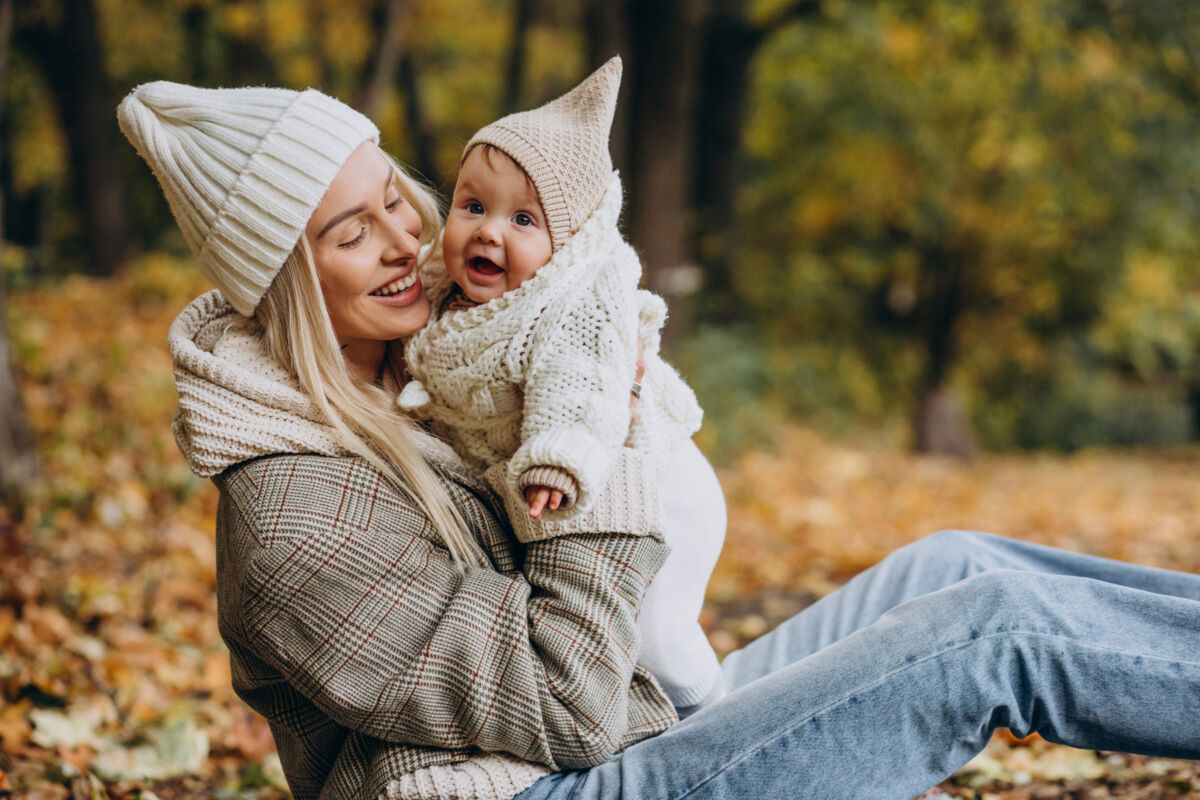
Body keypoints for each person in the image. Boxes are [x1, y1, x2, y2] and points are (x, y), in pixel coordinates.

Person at [117, 78, 1200, 800]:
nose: (406, 239)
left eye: (398, 200)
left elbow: (577, 279)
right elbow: (565, 697)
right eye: (351, 234)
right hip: (558, 781)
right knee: (988, 634)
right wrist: (609, 438)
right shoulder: (291, 516)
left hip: (628, 732)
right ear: (285, 284)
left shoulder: (423, 360)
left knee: (961, 564)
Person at [397, 56, 726, 716]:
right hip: (569, 498)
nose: (489, 230)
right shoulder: (446, 295)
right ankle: (665, 720)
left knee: (662, 643)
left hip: (661, 488)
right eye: (473, 205)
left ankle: (725, 718)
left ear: (571, 242)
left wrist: (559, 453)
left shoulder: (577, 300)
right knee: (616, 646)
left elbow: (583, 384)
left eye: (524, 220)